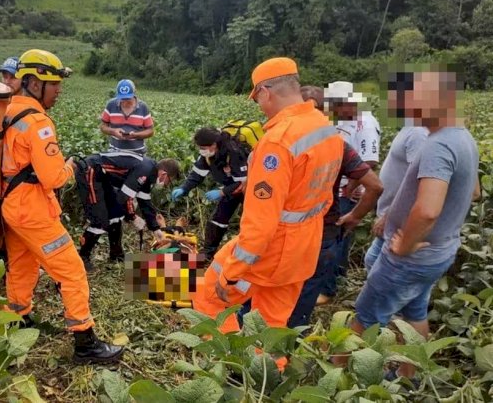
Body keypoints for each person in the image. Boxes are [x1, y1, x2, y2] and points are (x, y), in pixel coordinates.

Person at [192, 57, 343, 332]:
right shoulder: (324, 127)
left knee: (209, 299)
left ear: (265, 91)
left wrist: (232, 272)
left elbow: (261, 223)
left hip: (271, 252)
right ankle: (265, 370)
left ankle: (229, 362)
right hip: (306, 246)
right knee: (270, 324)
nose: (259, 106)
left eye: (257, 98)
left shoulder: (277, 142)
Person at [349, 69, 479, 381]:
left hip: (411, 257)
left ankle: (345, 380)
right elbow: (474, 191)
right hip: (437, 252)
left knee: (364, 319)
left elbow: (428, 210)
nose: (408, 103)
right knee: (414, 312)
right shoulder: (461, 137)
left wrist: (405, 242)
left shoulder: (439, 145)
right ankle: (411, 377)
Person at [0, 49, 123, 364]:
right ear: (34, 82)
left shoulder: (5, 111)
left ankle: (17, 321)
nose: (58, 90)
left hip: (11, 207)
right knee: (71, 271)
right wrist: (69, 166)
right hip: (34, 210)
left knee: (22, 266)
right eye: (54, 84)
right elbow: (53, 178)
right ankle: (85, 342)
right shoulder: (38, 123)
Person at [287, 87, 383, 328]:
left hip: (322, 213)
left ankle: (301, 318)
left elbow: (371, 172)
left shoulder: (359, 127)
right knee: (322, 257)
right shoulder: (334, 136)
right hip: (319, 213)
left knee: (321, 257)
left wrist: (350, 192)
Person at [320, 80, 382, 304]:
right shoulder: (344, 120)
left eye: (337, 106)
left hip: (348, 190)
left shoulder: (364, 123)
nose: (334, 110)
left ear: (347, 103)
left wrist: (350, 187)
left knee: (336, 237)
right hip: (337, 187)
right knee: (336, 238)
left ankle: (328, 289)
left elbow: (370, 161)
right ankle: (333, 279)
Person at [75, 153, 180, 270]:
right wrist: (132, 216)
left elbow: (145, 202)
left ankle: (116, 254)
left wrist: (155, 229)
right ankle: (82, 257)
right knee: (100, 220)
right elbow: (124, 197)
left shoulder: (150, 174)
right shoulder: (144, 171)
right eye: (169, 181)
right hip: (91, 171)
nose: (166, 185)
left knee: (115, 214)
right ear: (164, 174)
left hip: (103, 177)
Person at [171, 127, 250, 262]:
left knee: (250, 222)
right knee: (217, 220)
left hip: (247, 189)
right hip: (230, 189)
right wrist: (184, 188)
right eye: (199, 147)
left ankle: (247, 255)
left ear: (214, 144)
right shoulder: (207, 156)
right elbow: (197, 174)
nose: (202, 150)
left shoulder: (234, 153)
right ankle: (207, 253)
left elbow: (243, 183)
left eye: (203, 147)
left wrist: (221, 192)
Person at [100, 79, 154, 155]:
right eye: (122, 98)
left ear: (134, 93)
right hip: (114, 152)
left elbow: (150, 131)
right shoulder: (111, 105)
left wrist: (135, 135)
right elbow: (103, 126)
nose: (125, 101)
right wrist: (113, 131)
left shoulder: (143, 107)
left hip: (138, 153)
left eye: (127, 98)